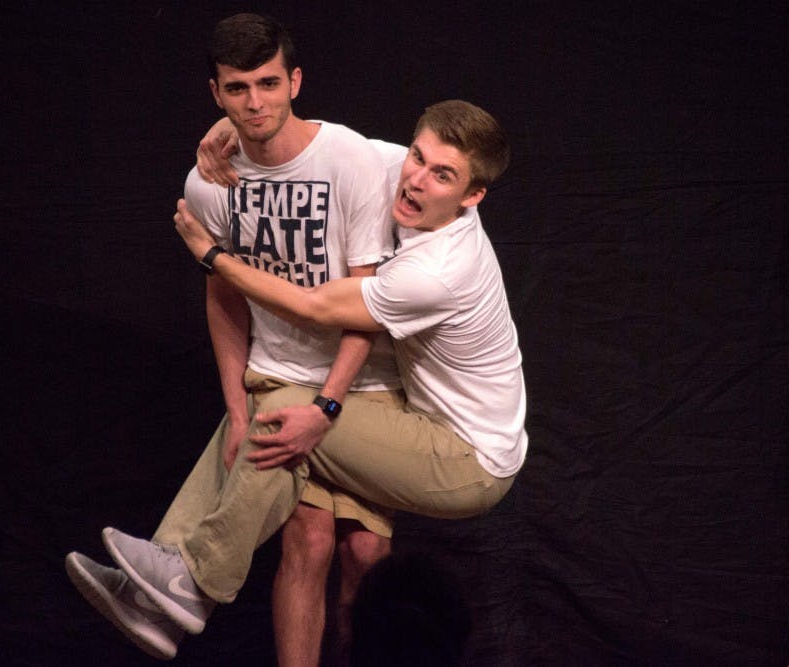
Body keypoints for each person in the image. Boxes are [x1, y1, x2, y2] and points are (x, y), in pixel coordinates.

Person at [99, 98, 526, 648]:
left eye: (442, 175)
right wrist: (237, 126)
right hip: (423, 426)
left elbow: (313, 307)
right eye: (418, 157)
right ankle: (160, 590)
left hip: (467, 461)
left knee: (280, 410)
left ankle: (191, 578)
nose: (417, 180)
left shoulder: (438, 271)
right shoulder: (399, 171)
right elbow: (315, 144)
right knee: (307, 514)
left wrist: (213, 257)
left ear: (472, 197)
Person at [65, 13, 401, 663]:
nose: (255, 102)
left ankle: (169, 585)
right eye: (238, 88)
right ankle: (168, 591)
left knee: (365, 551)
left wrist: (325, 403)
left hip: (364, 380)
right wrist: (237, 407)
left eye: (268, 83)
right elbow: (223, 295)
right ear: (216, 93)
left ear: (295, 81)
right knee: (308, 540)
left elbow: (366, 306)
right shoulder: (209, 183)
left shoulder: (349, 160)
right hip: (276, 374)